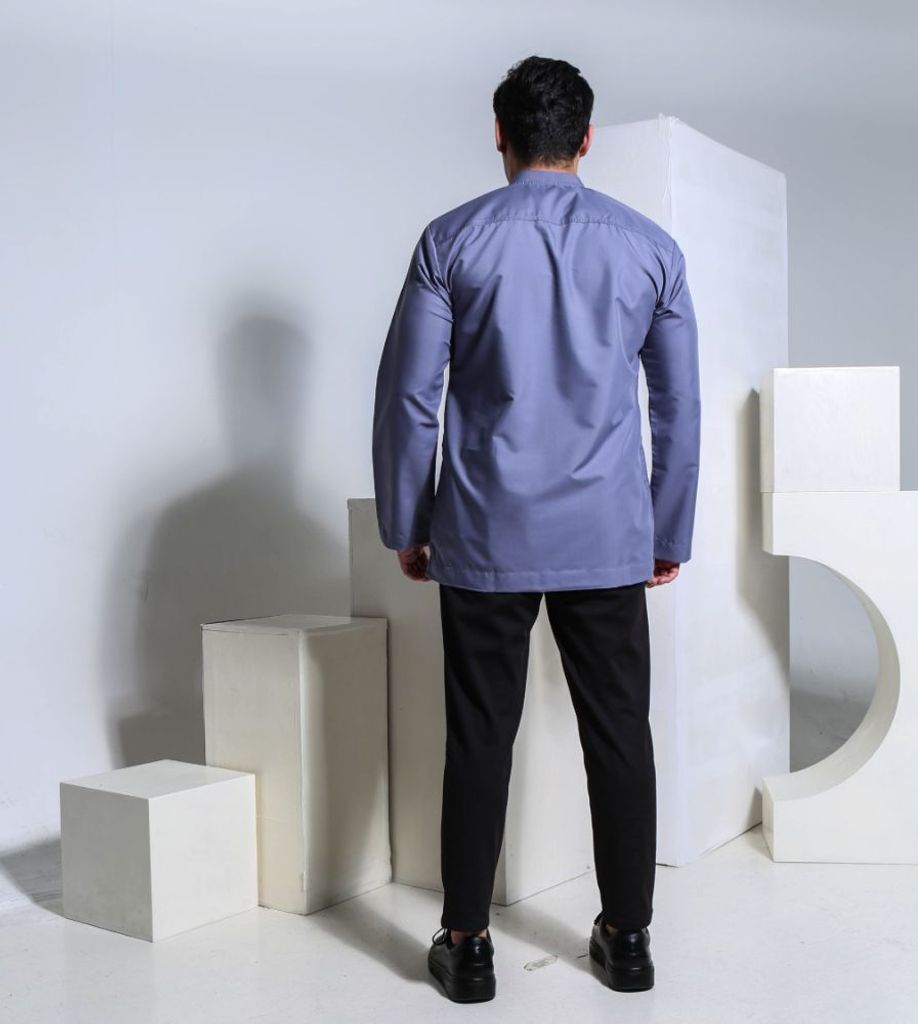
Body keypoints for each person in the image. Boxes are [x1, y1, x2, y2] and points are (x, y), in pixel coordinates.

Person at [371, 55, 700, 1002]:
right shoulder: (650, 248)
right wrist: (666, 529)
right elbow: (677, 405)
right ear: (586, 139)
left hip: (485, 530)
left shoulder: (450, 241)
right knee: (620, 733)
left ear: (499, 134)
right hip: (607, 533)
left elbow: (410, 397)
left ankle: (468, 944)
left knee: (479, 737)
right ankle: (627, 940)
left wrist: (408, 518)